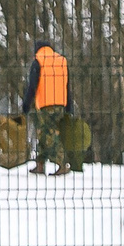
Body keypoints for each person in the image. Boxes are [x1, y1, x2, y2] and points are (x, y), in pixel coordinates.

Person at [20, 38, 75, 175]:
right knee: (45, 132)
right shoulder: (61, 61)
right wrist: (69, 106)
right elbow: (67, 85)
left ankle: (62, 163)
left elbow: (32, 86)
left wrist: (26, 104)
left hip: (45, 104)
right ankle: (40, 163)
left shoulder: (38, 61)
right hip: (60, 103)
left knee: (49, 134)